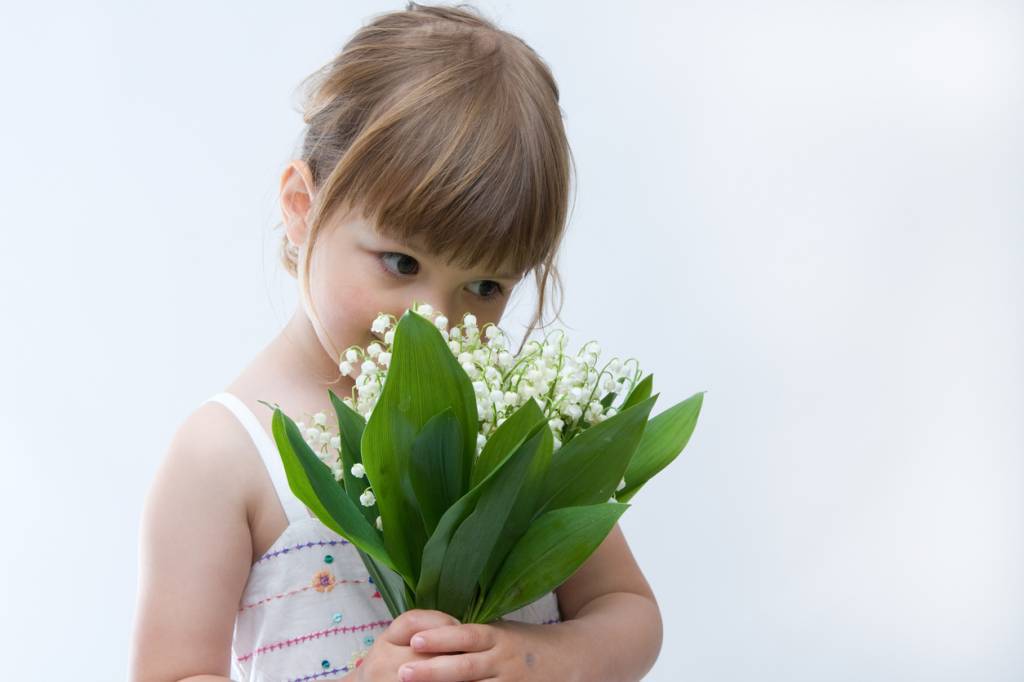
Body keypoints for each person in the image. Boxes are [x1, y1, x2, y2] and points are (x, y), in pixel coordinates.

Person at [128, 3, 662, 681]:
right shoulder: (228, 454)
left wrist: (534, 658)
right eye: (402, 264)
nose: (433, 321)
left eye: (486, 287)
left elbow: (628, 608)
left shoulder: (510, 423)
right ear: (302, 207)